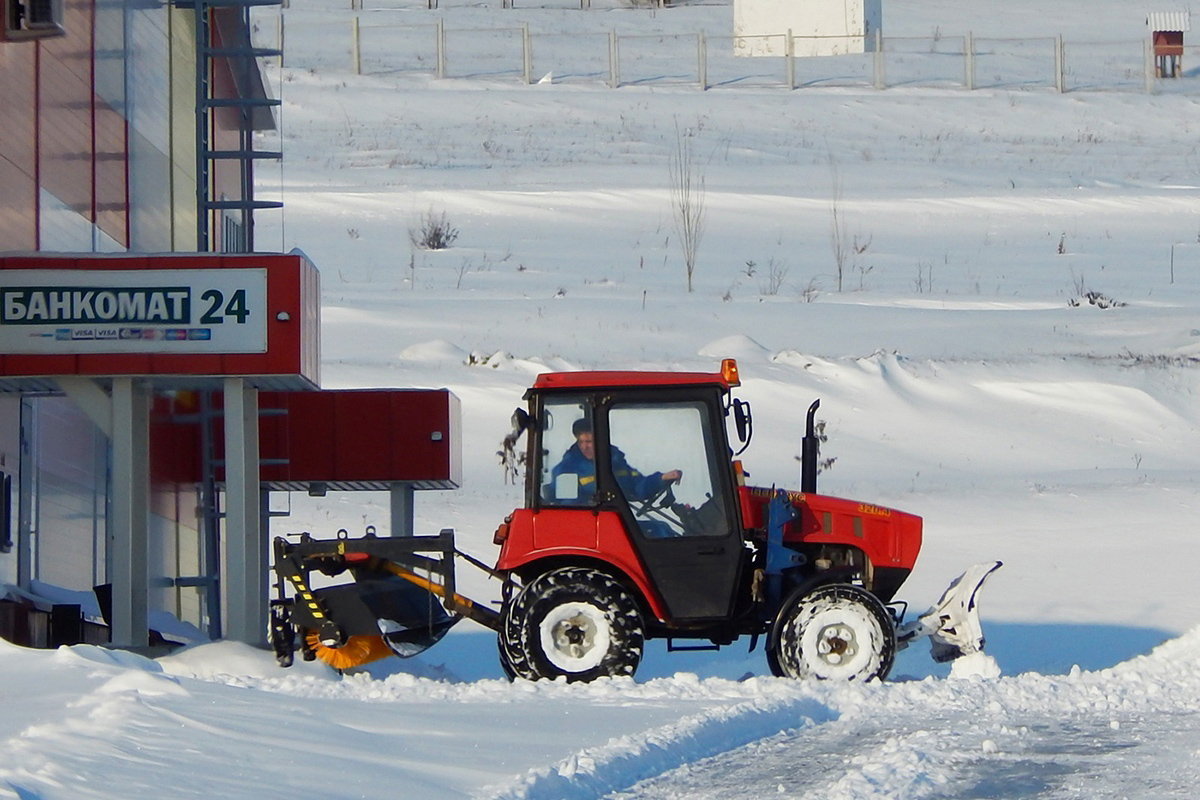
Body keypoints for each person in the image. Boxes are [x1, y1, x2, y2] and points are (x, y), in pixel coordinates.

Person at [550, 418, 681, 503]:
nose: (585, 447)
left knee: (661, 529)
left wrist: (661, 478)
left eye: (589, 442)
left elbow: (637, 485)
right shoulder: (568, 469)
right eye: (581, 442)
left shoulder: (615, 462)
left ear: (599, 441)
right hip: (592, 526)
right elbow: (566, 505)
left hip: (614, 521)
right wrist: (593, 503)